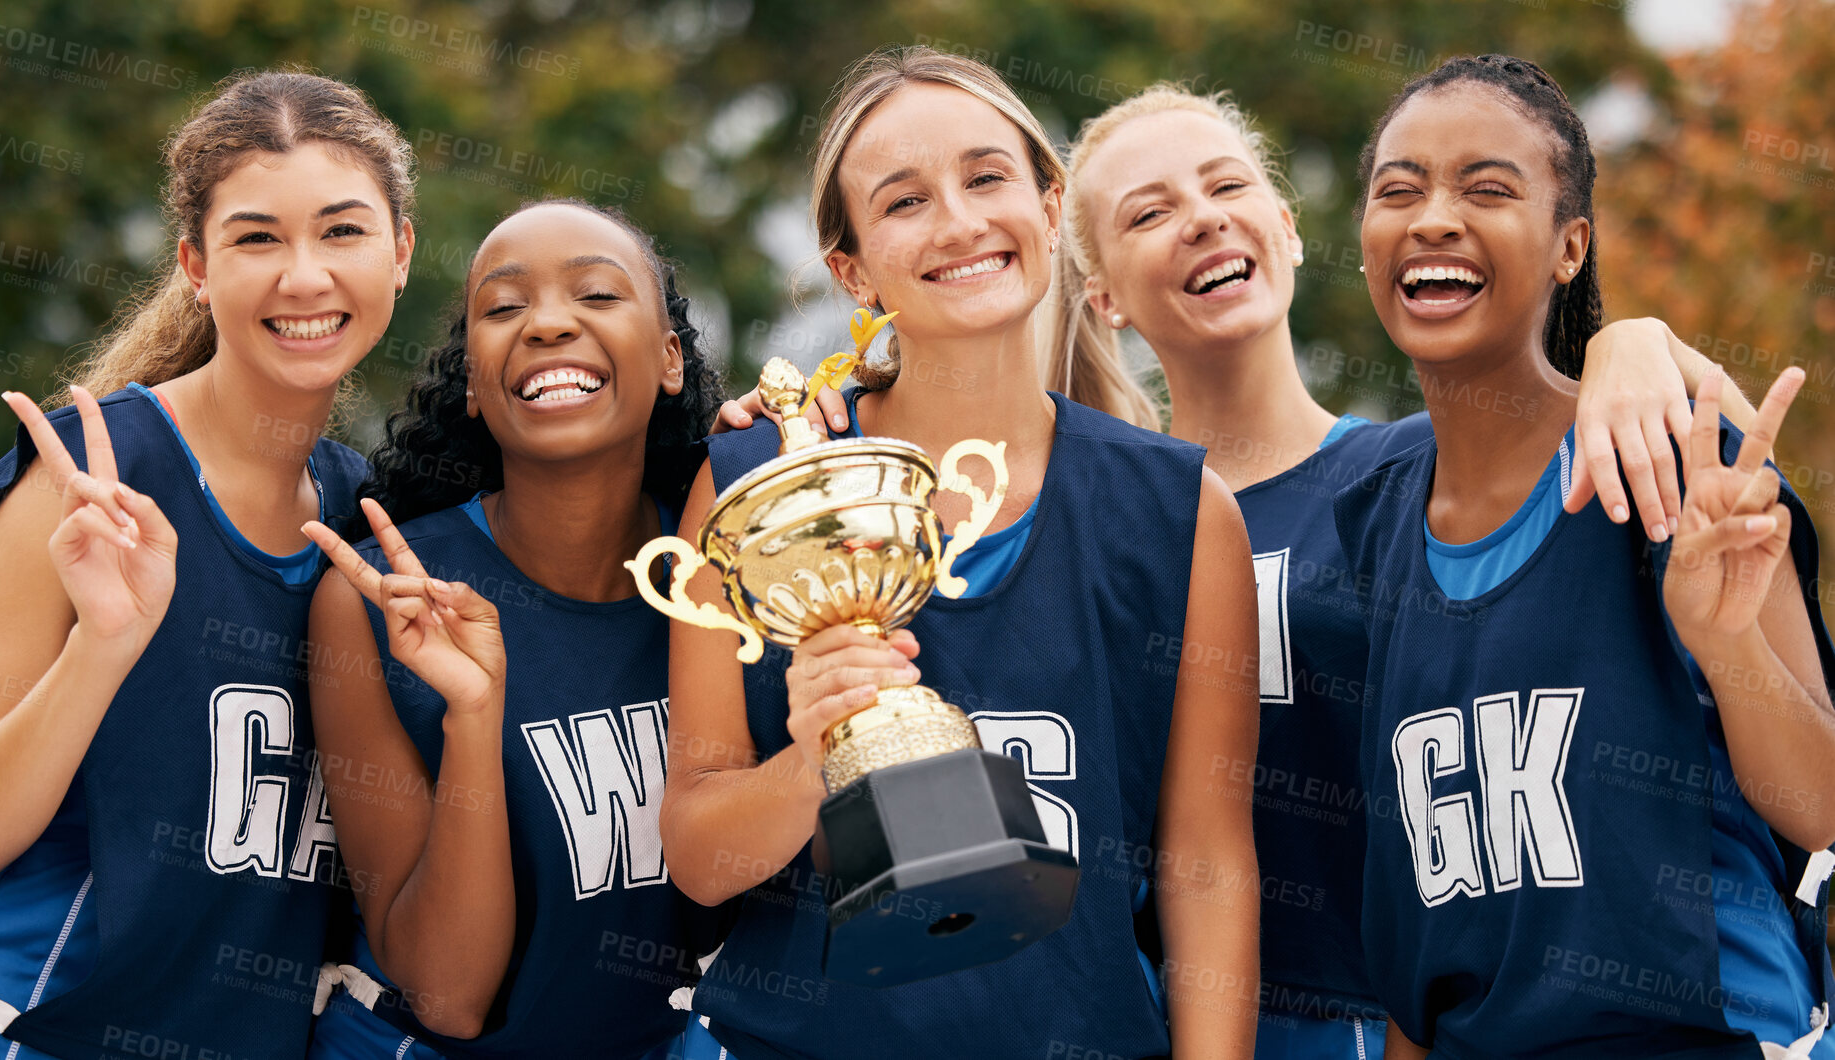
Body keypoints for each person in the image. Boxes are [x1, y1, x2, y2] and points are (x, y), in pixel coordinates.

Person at [1049, 81, 1763, 1059]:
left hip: (1393, 1019)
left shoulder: (1412, 485)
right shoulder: (1106, 534)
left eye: (1224, 184)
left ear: (1288, 231)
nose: (1201, 218)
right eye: (1149, 210)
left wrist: (1626, 341)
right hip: (1183, 1023)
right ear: (1103, 299)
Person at [659, 46, 1263, 1060]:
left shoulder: (1181, 509)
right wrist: (816, 757)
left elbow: (1206, 865)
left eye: (986, 177)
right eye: (903, 202)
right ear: (850, 270)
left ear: (1047, 199)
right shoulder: (761, 482)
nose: (960, 222)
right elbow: (699, 855)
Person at [1333, 54, 1835, 1058]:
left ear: (1570, 247)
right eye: (1398, 190)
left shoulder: (1681, 456)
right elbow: (1417, 929)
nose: (1432, 217)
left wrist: (1722, 640)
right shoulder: (1371, 520)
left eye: (1486, 188)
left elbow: (1819, 809)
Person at [0, 70, 414, 1060]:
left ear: (402, 252)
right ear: (195, 265)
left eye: (342, 231)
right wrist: (103, 649)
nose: (304, 276)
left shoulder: (370, 518)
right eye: (257, 237)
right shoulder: (89, 483)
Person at [299, 198, 726, 1060]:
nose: (547, 325)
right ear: (471, 379)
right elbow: (448, 999)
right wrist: (472, 716)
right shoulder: (380, 603)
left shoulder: (731, 570)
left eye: (598, 296)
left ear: (670, 357)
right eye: (502, 308)